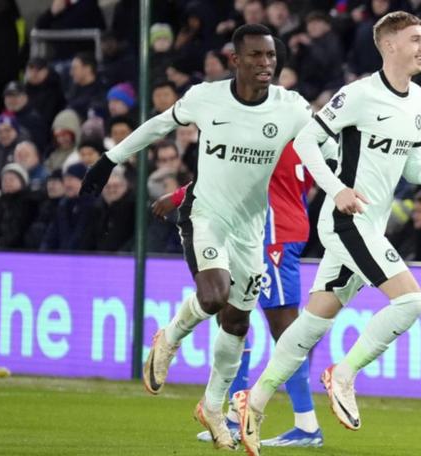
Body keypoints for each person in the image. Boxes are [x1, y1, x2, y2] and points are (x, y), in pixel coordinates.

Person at [79, 24, 314, 451]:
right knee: (213, 296)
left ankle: (212, 404)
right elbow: (157, 126)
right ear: (235, 61)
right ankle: (168, 337)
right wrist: (111, 159)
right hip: (204, 213)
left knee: (237, 321)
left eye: (271, 57)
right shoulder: (206, 98)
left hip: (251, 228)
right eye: (257, 56)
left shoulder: (291, 107)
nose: (266, 64)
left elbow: (323, 148)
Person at [233, 12, 421, 456]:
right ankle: (343, 374)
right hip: (346, 221)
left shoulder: (419, 100)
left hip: (368, 224)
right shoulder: (359, 95)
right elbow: (308, 140)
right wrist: (338, 188)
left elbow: (407, 166)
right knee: (410, 302)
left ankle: (253, 402)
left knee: (311, 323)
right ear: (388, 46)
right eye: (415, 39)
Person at [154, 141, 325, 447]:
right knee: (233, 316)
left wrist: (179, 195)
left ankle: (306, 424)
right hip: (264, 232)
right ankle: (234, 417)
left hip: (275, 234)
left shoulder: (272, 135)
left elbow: (231, 174)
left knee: (285, 329)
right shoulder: (301, 137)